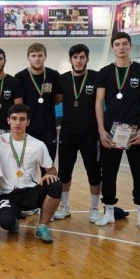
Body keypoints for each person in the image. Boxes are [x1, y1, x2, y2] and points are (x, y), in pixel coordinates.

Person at [95, 32, 140, 231]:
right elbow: (99, 102)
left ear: (130, 46)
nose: (121, 47)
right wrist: (101, 130)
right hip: (111, 133)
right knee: (108, 173)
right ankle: (108, 212)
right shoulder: (104, 72)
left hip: (136, 133)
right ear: (113, 47)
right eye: (117, 44)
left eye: (124, 44)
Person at [0, 105, 62, 243]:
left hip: (29, 193)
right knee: (6, 222)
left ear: (28, 122)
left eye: (22, 119)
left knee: (55, 183)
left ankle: (42, 226)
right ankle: (13, 219)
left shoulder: (38, 145)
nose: (17, 123)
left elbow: (52, 170)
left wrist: (48, 175)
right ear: (8, 120)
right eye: (14, 118)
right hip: (7, 195)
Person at [56, 44, 102, 221]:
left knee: (94, 171)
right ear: (70, 60)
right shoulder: (62, 79)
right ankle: (65, 206)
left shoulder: (96, 77)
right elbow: (55, 100)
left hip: (91, 133)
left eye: (82, 57)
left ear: (87, 58)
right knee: (64, 172)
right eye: (75, 57)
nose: (79, 60)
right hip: (68, 132)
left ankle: (95, 208)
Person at [14, 43, 62, 161]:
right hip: (28, 127)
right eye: (33, 56)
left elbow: (58, 99)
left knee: (48, 163)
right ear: (28, 58)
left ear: (45, 57)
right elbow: (18, 105)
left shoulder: (54, 75)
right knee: (26, 164)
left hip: (48, 127)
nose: (37, 58)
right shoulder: (20, 77)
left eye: (40, 55)